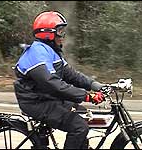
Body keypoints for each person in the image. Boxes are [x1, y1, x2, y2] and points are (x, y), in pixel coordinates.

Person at [13, 11, 105, 149]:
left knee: (84, 115)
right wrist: (86, 96)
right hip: (36, 102)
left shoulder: (51, 51)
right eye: (60, 31)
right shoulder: (37, 52)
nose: (63, 35)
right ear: (48, 33)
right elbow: (53, 84)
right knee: (79, 127)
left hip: (48, 98)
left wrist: (96, 85)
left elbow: (71, 75)